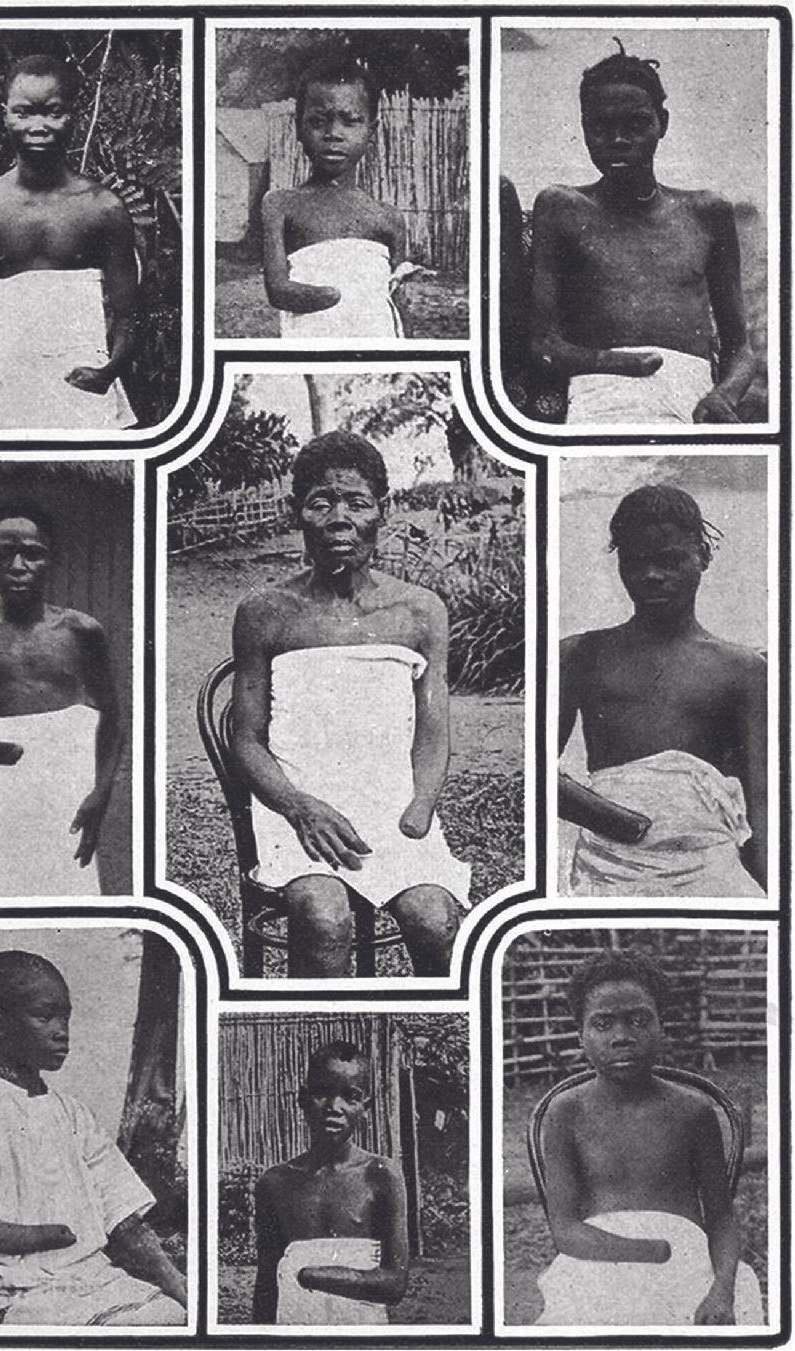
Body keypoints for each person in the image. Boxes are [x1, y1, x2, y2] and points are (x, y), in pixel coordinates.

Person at [232, 431, 470, 977]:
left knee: (436, 921)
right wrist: (297, 807)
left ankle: (436, 1040)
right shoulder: (265, 612)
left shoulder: (419, 611)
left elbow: (432, 731)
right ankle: (324, 1031)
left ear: (380, 513)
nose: (340, 518)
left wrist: (421, 806)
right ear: (297, 515)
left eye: (357, 502)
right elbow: (246, 737)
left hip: (394, 806)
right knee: (324, 916)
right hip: (299, 806)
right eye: (321, 502)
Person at [0, 951, 186, 1326]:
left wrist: (179, 1286)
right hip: (22, 1290)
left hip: (94, 1279)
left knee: (173, 1316)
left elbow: (123, 1220)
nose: (60, 1030)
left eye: (65, 1017)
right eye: (45, 1016)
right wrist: (55, 1235)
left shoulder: (73, 1113)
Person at [530, 40, 756, 425]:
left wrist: (725, 394)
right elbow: (541, 345)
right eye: (601, 126)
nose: (618, 139)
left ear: (661, 124)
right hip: (602, 394)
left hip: (693, 397)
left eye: (635, 124)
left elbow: (740, 349)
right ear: (584, 129)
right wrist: (620, 364)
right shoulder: (560, 207)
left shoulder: (707, 212)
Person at [535, 948, 763, 1327]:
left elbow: (721, 1217)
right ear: (581, 1036)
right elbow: (565, 1230)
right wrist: (649, 1252)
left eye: (639, 1020)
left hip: (687, 1263)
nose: (622, 1037)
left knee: (729, 1309)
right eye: (603, 1024)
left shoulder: (693, 1110)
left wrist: (721, 1290)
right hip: (599, 1260)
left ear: (662, 1027)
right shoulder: (566, 1112)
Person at [559, 484, 766, 897]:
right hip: (609, 865)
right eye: (636, 562)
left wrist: (773, 896)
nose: (651, 576)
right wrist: (618, 821)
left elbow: (762, 801)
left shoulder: (742, 669)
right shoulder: (581, 654)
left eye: (670, 560)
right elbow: (531, 773)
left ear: (702, 557)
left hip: (710, 864)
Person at [0, 495, 123, 896]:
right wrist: (14, 754)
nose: (18, 567)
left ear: (51, 559)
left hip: (62, 783)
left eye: (32, 554)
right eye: (5, 554)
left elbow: (114, 719)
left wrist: (100, 793)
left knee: (60, 888)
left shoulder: (81, 631)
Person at [0, 53, 137, 431]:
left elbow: (128, 319)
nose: (39, 127)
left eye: (53, 112)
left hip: (84, 382)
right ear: (5, 115)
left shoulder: (104, 209)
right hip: (3, 380)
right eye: (24, 113)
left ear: (73, 116)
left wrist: (105, 373)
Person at [252, 1040, 408, 1324]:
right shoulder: (274, 1183)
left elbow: (395, 1283)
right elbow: (266, 1286)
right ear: (302, 1098)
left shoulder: (381, 1175)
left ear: (366, 1106)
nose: (334, 1107)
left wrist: (308, 1275)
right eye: (322, 1093)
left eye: (350, 1096)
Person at [262, 56, 415, 341]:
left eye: (350, 122)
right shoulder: (280, 203)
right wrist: (339, 296)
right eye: (318, 122)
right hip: (311, 344)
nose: (333, 134)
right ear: (298, 128)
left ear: (371, 131)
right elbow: (278, 290)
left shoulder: (388, 218)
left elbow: (397, 299)